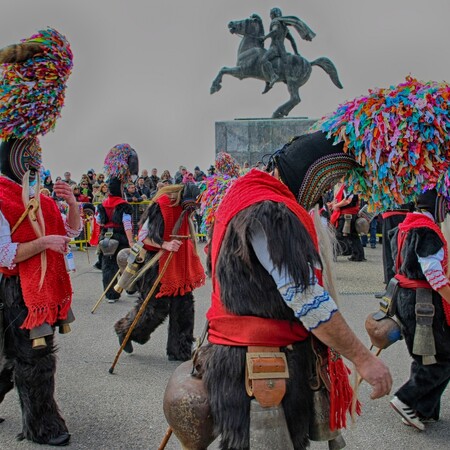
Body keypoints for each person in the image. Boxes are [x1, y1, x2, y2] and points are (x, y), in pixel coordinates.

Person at [195, 132, 391, 449]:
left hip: (243, 359)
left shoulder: (243, 194)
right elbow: (308, 301)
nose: (324, 194)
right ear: (309, 174)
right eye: (325, 184)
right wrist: (364, 359)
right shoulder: (271, 212)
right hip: (262, 367)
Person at [0, 27, 76, 446]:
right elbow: (5, 253)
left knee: (36, 358)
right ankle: (42, 426)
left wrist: (72, 205)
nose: (33, 160)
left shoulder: (39, 194)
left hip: (39, 291)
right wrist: (44, 245)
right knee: (22, 362)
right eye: (27, 156)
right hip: (11, 290)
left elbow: (71, 233)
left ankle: (43, 424)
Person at [114, 183, 206, 361]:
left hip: (180, 263)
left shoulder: (185, 208)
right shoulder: (162, 204)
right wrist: (165, 244)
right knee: (155, 308)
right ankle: (126, 330)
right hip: (158, 263)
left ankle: (180, 350)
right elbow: (143, 236)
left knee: (184, 307)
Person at [389, 189, 450, 431]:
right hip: (422, 303)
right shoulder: (426, 230)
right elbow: (434, 274)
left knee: (425, 356)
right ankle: (406, 399)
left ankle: (423, 410)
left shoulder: (406, 224)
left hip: (407, 299)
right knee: (444, 359)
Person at [96, 144, 138, 303]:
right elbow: (127, 224)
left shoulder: (102, 204)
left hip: (105, 237)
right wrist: (131, 241)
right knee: (127, 264)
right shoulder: (123, 204)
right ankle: (129, 288)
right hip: (120, 237)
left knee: (108, 267)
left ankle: (110, 295)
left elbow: (99, 220)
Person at [260, 7, 315, 93]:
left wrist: (264, 37)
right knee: (270, 62)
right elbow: (292, 40)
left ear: (273, 14)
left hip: (274, 48)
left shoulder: (275, 22)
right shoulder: (284, 27)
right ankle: (268, 83)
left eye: (271, 14)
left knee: (263, 60)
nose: (270, 16)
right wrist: (296, 52)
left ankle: (273, 76)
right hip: (282, 50)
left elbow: (274, 31)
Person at [330, 180, 366, 261]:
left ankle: (333, 255)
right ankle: (358, 255)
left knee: (338, 235)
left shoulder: (349, 186)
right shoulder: (354, 186)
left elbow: (347, 200)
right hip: (352, 214)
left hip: (346, 214)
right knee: (353, 235)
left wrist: (335, 205)